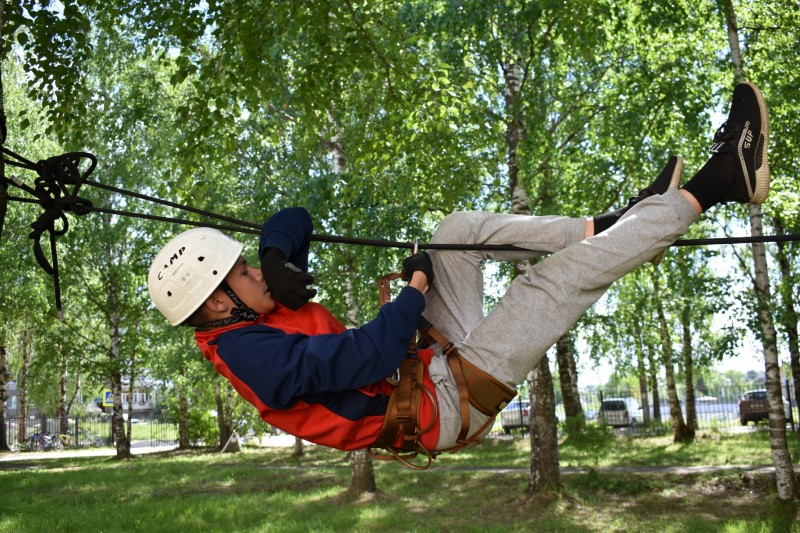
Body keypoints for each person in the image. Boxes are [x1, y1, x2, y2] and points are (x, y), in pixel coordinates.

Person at [148, 81, 769, 458]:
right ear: (216, 305)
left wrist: (278, 257)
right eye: (244, 273)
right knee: (547, 286)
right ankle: (722, 182)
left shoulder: (253, 311)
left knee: (455, 233)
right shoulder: (252, 356)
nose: (255, 274)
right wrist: (414, 291)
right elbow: (362, 359)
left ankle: (611, 226)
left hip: (426, 371)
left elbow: (292, 214)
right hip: (439, 410)